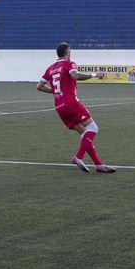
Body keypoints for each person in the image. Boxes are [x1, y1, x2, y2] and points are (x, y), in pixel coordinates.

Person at [37, 42, 116, 173]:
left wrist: (57, 92)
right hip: (70, 103)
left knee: (85, 134)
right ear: (67, 52)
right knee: (93, 128)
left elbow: (39, 86)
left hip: (59, 107)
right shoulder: (70, 64)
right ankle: (78, 157)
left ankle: (99, 165)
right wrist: (95, 75)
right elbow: (74, 75)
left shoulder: (50, 68)